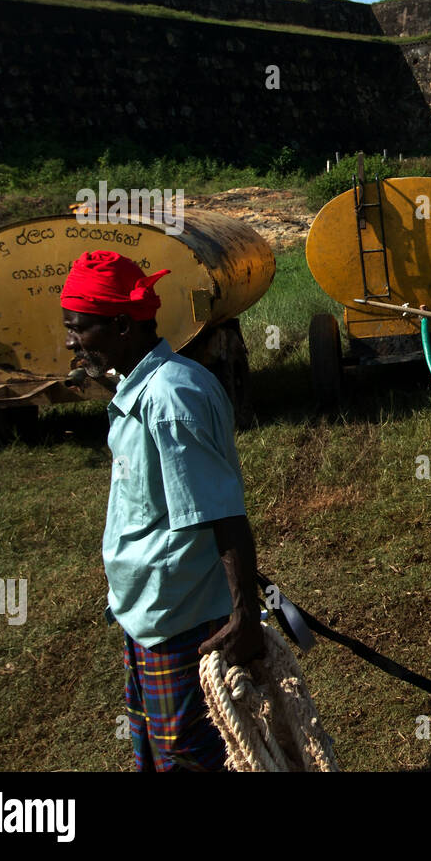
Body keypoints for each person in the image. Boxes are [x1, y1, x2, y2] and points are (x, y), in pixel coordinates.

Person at [61, 250, 263, 771]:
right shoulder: (146, 387)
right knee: (155, 749)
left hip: (184, 619)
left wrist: (244, 615)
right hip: (152, 614)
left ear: (123, 326)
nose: (70, 341)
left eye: (79, 327)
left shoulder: (171, 397)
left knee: (191, 756)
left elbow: (223, 513)